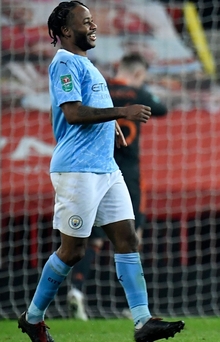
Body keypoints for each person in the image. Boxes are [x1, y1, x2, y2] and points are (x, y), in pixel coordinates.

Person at [18, 1, 184, 342]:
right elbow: (75, 113)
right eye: (87, 21)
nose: (94, 27)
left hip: (106, 169)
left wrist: (112, 127)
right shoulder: (64, 63)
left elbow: (92, 109)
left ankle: (142, 322)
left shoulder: (86, 64)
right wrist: (122, 111)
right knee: (74, 250)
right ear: (66, 30)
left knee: (127, 238)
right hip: (77, 170)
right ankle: (32, 318)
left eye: (93, 21)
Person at [66, 52, 169, 321]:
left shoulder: (100, 89)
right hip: (128, 175)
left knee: (93, 238)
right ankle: (132, 305)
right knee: (131, 239)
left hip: (97, 168)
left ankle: (76, 289)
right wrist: (137, 89)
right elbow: (161, 109)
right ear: (137, 74)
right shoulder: (138, 93)